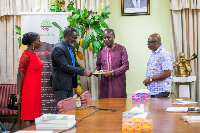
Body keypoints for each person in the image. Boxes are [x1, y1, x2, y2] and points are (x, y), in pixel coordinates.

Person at [50, 27, 92, 114]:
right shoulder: (58, 48)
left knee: (68, 108)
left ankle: (67, 127)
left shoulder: (71, 48)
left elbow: (74, 64)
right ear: (67, 36)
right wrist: (83, 72)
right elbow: (65, 66)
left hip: (69, 83)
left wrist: (84, 70)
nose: (75, 40)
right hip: (61, 84)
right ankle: (58, 127)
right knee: (61, 109)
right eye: (74, 38)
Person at [16, 32, 43, 129]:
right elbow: (20, 75)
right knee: (28, 117)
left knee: (34, 117)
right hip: (29, 91)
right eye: (38, 40)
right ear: (32, 43)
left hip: (35, 91)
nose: (40, 42)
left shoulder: (33, 54)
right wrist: (19, 94)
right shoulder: (26, 55)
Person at [95, 29, 129, 98]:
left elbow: (125, 66)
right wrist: (96, 71)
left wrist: (113, 72)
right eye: (104, 38)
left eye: (109, 37)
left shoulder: (121, 49)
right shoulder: (101, 51)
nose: (106, 39)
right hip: (105, 86)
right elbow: (98, 65)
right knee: (105, 106)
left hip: (118, 86)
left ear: (114, 36)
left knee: (120, 106)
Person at [143, 33, 173, 98]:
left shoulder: (164, 54)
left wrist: (151, 79)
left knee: (158, 108)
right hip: (153, 91)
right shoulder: (154, 54)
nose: (148, 44)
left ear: (156, 42)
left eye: (149, 42)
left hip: (161, 91)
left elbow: (167, 73)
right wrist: (148, 80)